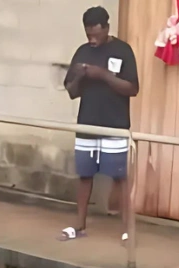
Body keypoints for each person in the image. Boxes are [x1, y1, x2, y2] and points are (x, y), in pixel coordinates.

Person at [61, 6, 139, 242]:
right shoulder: (82, 52)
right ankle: (79, 225)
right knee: (85, 176)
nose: (92, 40)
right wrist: (80, 76)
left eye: (96, 34)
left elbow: (133, 89)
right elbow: (71, 92)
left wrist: (103, 75)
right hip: (87, 124)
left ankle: (128, 230)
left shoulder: (123, 50)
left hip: (115, 125)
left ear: (106, 27)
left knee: (120, 177)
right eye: (88, 35)